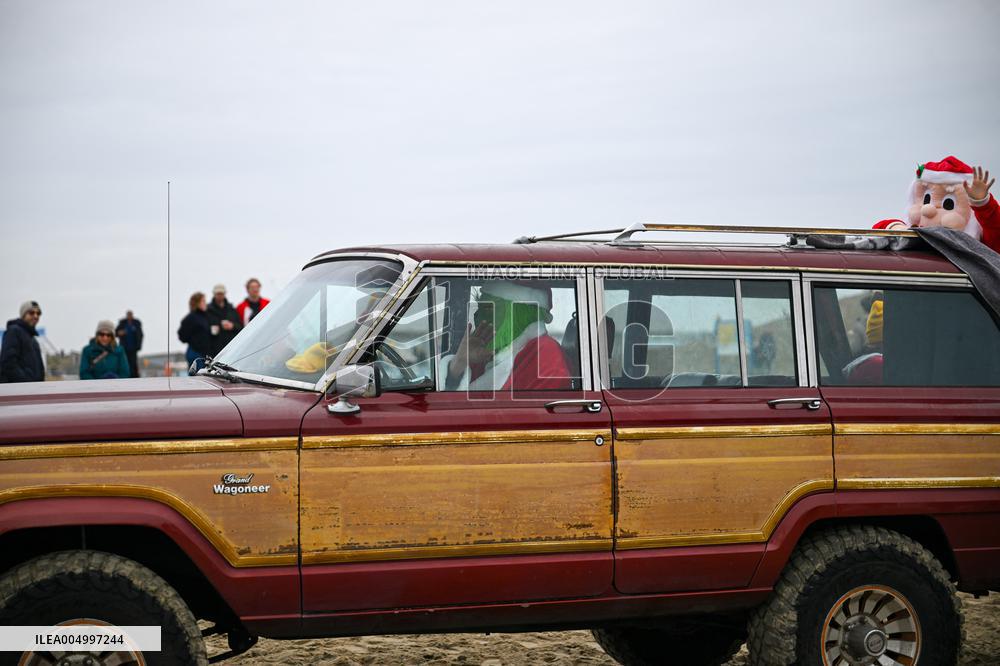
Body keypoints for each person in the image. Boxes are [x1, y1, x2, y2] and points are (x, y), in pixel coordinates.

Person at [440, 281, 571, 391]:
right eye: (479, 309)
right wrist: (460, 362)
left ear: (518, 313)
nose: (477, 316)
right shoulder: (487, 354)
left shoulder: (546, 355)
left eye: (488, 309)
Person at [874, 157, 999, 253]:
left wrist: (983, 205)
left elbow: (996, 237)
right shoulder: (912, 239)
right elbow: (877, 229)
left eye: (949, 204)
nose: (927, 209)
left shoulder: (975, 247)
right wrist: (899, 228)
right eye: (926, 199)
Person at [1, 301, 45, 383]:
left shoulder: (33, 340)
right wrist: (26, 383)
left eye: (38, 313)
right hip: (16, 392)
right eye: (31, 313)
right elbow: (8, 364)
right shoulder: (13, 331)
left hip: (33, 391)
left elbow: (40, 370)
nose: (35, 316)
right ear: (23, 314)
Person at [178, 292, 211, 373]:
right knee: (198, 377)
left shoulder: (205, 316)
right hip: (195, 352)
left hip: (204, 353)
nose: (205, 303)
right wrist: (194, 340)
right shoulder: (191, 318)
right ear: (197, 303)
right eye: (203, 301)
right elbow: (182, 335)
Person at [206, 284, 243, 357]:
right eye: (218, 294)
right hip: (214, 350)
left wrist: (232, 326)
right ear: (214, 294)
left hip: (230, 349)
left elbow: (240, 326)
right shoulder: (207, 310)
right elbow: (203, 328)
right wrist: (212, 329)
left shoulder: (231, 309)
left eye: (221, 294)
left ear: (224, 294)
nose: (220, 296)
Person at [115, 310, 144, 378]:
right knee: (124, 362)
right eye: (128, 315)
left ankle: (134, 377)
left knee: (133, 363)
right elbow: (116, 333)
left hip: (133, 348)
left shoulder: (136, 324)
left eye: (130, 314)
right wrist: (120, 333)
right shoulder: (122, 323)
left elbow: (140, 335)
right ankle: (125, 376)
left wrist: (139, 345)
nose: (129, 316)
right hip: (124, 347)